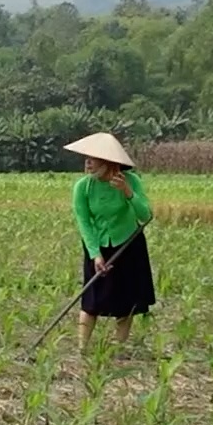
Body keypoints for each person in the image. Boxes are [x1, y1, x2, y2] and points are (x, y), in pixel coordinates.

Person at [65, 131, 154, 351]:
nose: (88, 163)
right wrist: (95, 254)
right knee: (91, 300)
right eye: (87, 158)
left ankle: (118, 348)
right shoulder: (82, 188)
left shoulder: (131, 181)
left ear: (108, 161)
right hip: (97, 246)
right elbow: (84, 223)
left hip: (128, 245)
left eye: (93, 158)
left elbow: (146, 216)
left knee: (126, 301)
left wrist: (127, 193)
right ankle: (82, 348)